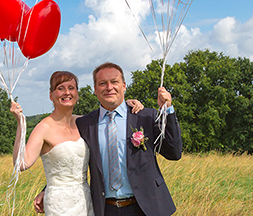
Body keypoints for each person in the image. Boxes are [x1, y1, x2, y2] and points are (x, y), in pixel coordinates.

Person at [34, 63, 182, 216]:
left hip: (147, 207)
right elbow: (71, 159)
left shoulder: (145, 116)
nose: (109, 87)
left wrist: (168, 110)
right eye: (102, 83)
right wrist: (49, 189)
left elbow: (174, 152)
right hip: (106, 209)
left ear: (124, 86)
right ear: (95, 89)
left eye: (114, 82)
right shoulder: (85, 124)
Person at [10, 71, 143, 216]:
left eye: (71, 88)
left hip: (86, 200)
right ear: (51, 95)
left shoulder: (83, 122)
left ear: (77, 94)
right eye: (60, 88)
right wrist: (21, 124)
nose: (67, 92)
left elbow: (110, 114)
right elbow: (21, 163)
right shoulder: (44, 128)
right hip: (59, 204)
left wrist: (125, 104)